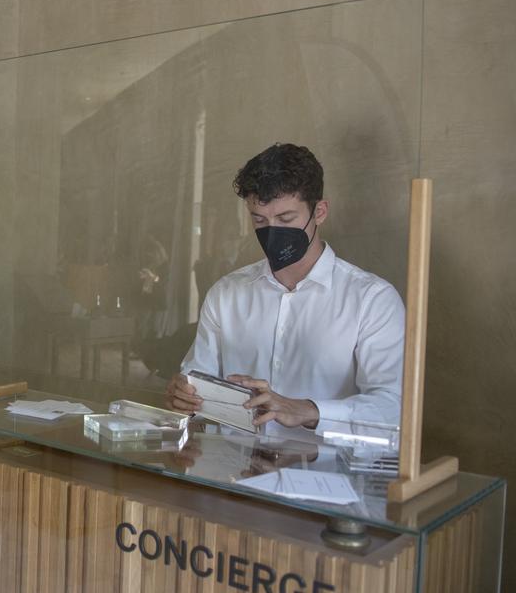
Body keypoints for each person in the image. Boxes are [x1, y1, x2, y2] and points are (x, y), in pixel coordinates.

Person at [166, 143, 405, 430]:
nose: (272, 231)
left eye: (286, 219)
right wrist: (185, 393)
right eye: (259, 219)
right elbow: (197, 380)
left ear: (320, 212)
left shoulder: (372, 300)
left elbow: (393, 408)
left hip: (324, 470)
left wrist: (306, 410)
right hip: (232, 469)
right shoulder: (226, 294)